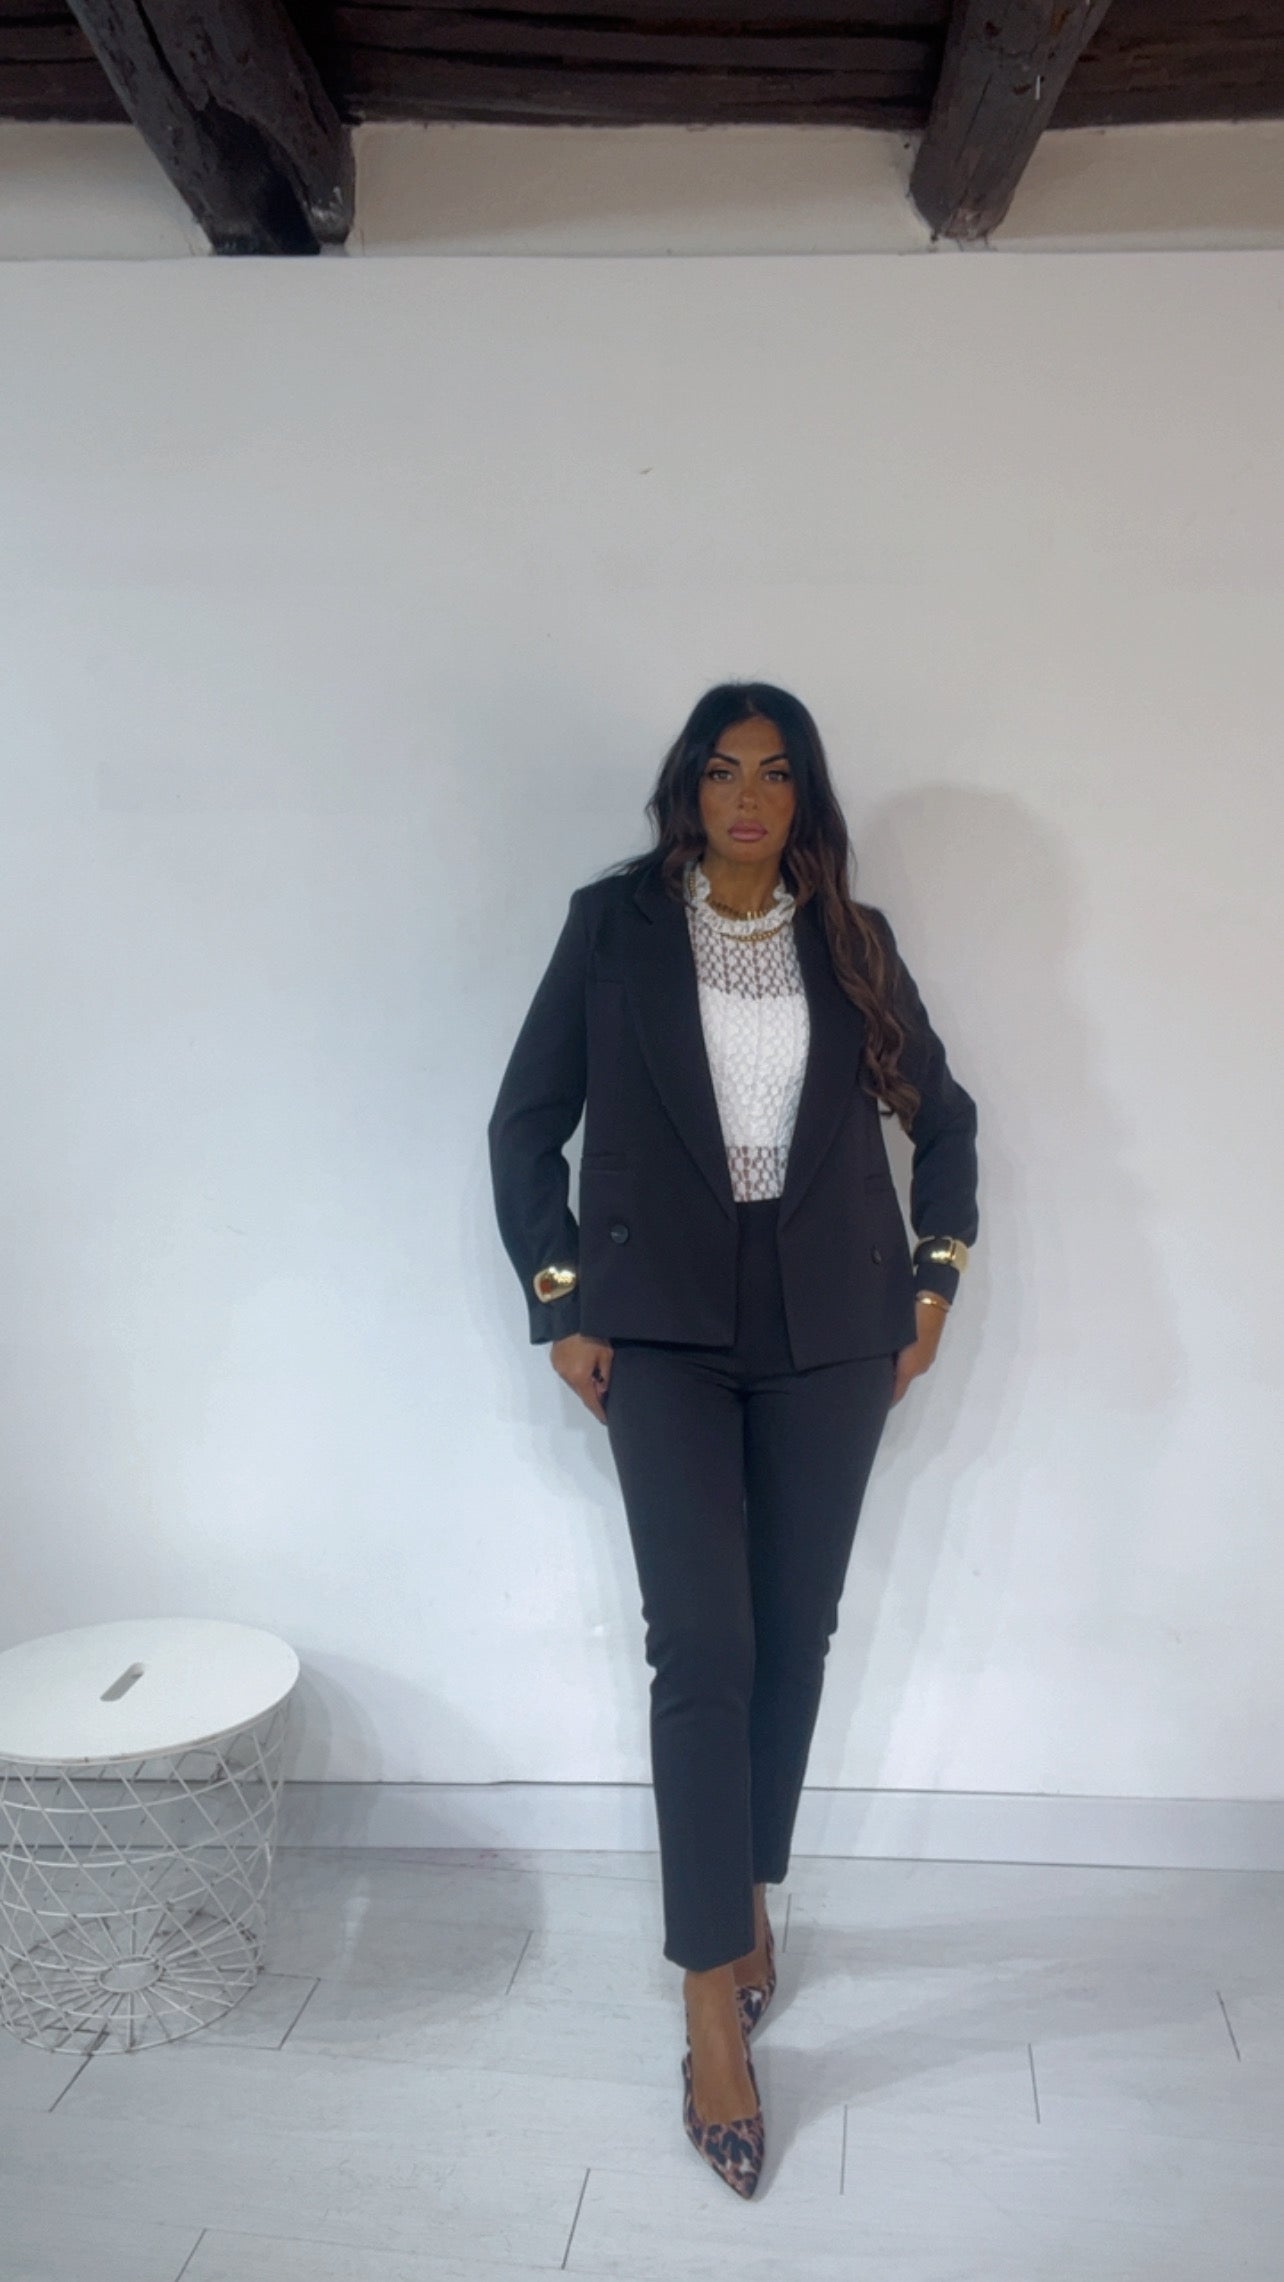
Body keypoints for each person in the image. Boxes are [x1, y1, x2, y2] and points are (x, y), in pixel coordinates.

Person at [487, 681, 979, 2197]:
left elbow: (946, 1120)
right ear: (687, 791)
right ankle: (712, 1996)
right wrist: (563, 1298)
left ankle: (747, 1892)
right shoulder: (613, 928)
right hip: (664, 1330)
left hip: (832, 1327)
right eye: (721, 770)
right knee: (701, 1644)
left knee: (792, 1636)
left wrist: (931, 1286)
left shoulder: (852, 937)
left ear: (803, 794)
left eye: (773, 772)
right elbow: (524, 1124)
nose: (747, 796)